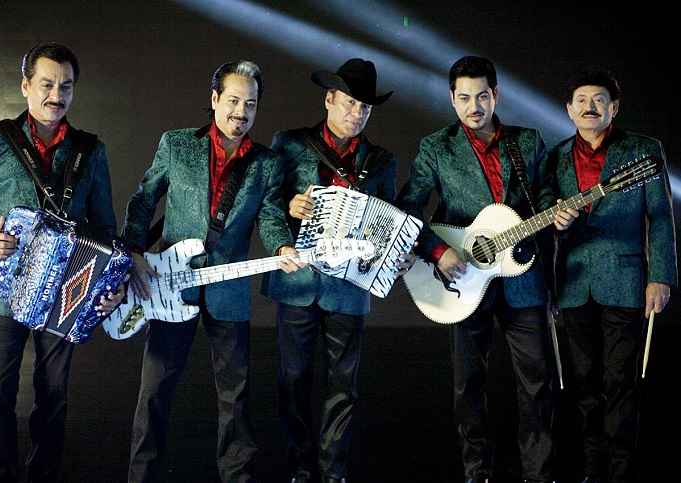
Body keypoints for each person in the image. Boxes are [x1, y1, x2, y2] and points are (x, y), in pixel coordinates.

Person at [0, 42, 122, 483]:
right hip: (2, 290)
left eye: (66, 86)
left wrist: (110, 282)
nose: (56, 95)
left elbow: (105, 228)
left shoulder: (90, 150)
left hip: (66, 292)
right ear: (25, 86)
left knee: (53, 393)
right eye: (46, 84)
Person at [396, 55, 577, 483]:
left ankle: (538, 473)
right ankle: (477, 472)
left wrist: (555, 211)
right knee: (468, 384)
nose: (473, 106)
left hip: (523, 277)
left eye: (481, 96)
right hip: (462, 279)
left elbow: (544, 192)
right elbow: (408, 208)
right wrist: (437, 251)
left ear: (495, 95)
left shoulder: (527, 141)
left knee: (536, 380)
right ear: (451, 99)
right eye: (464, 98)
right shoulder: (436, 147)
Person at [123, 60, 302, 483]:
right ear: (215, 99)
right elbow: (144, 200)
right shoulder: (176, 144)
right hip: (170, 284)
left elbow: (270, 216)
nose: (241, 112)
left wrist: (282, 245)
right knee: (155, 391)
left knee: (235, 397)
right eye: (234, 101)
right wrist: (133, 251)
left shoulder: (267, 163)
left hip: (228, 288)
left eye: (251, 104)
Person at [261, 58, 411, 483]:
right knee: (293, 378)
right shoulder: (289, 144)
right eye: (349, 103)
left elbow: (388, 221)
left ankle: (334, 472)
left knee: (344, 386)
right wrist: (288, 216)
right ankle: (300, 467)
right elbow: (268, 206)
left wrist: (393, 252)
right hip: (298, 279)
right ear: (329, 99)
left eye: (365, 107)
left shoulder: (380, 160)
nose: (356, 113)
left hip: (349, 286)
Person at [548, 67, 677, 483]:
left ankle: (621, 472)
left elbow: (660, 217)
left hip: (625, 281)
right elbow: (546, 215)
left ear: (614, 108)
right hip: (572, 284)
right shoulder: (555, 156)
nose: (590, 107)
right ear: (569, 110)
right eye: (581, 100)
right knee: (583, 384)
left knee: (621, 381)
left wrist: (661, 276)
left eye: (599, 100)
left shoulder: (644, 150)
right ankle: (592, 469)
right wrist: (556, 221)